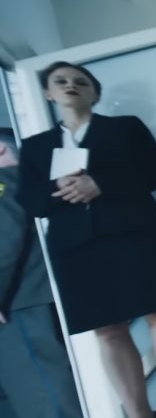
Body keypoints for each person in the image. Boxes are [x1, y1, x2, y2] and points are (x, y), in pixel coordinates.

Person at [17, 62, 156, 418]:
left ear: (95, 94)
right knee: (107, 330)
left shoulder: (126, 128)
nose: (70, 85)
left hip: (134, 235)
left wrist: (102, 184)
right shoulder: (35, 147)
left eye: (80, 81)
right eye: (60, 81)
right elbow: (30, 202)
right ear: (48, 93)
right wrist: (57, 188)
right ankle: (139, 413)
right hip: (75, 248)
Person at [0, 133, 83, 418]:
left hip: (20, 304)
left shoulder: (4, 182)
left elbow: (3, 241)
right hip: (31, 300)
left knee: (46, 400)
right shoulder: (29, 185)